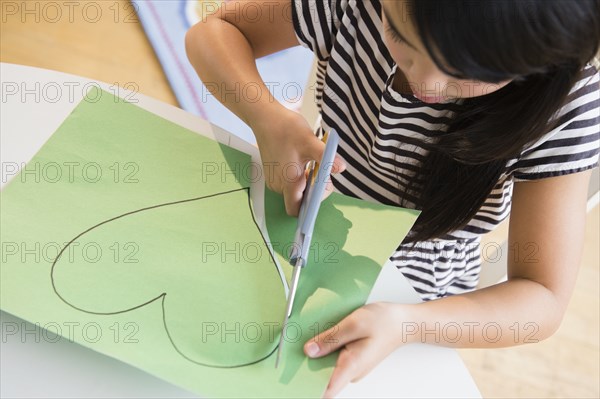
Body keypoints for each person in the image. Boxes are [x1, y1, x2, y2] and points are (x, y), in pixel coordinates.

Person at [186, 0, 600, 396]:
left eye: (466, 72)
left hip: (423, 299)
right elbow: (215, 31)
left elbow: (542, 298)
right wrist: (268, 118)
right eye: (402, 37)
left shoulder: (566, 103)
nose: (426, 83)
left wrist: (407, 324)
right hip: (308, 213)